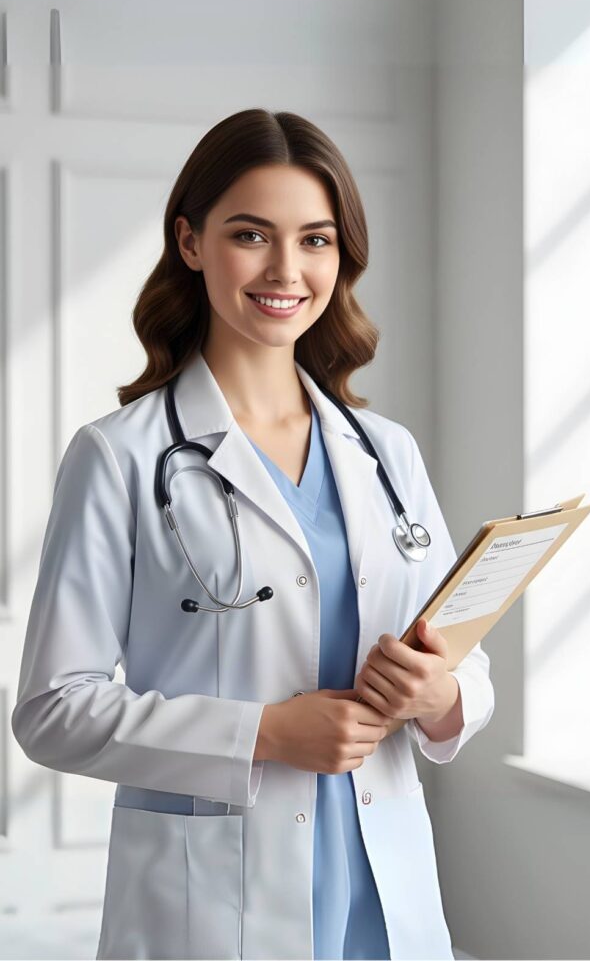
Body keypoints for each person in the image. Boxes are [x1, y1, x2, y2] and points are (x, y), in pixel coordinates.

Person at [11, 107, 495, 961]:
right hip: (214, 907)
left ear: (341, 257)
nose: (286, 269)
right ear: (191, 242)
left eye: (315, 240)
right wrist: (266, 734)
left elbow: (460, 657)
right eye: (251, 235)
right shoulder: (119, 457)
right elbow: (52, 711)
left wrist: (440, 696)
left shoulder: (384, 452)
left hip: (386, 896)